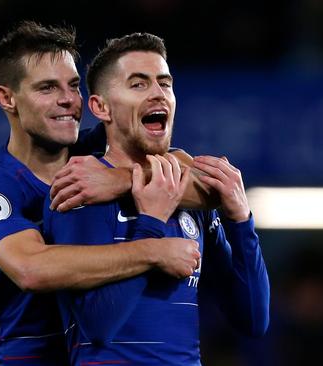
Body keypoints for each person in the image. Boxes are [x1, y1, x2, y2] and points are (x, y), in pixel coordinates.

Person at [0, 21, 210, 365]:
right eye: (47, 88)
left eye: (73, 85)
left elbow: (195, 176)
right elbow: (31, 268)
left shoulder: (94, 150)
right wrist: (152, 249)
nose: (67, 100)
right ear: (7, 98)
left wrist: (122, 180)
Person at [43, 32, 270, 365]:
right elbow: (96, 325)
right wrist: (150, 226)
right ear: (101, 107)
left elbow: (252, 320)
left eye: (165, 84)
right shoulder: (82, 188)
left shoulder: (191, 198)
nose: (158, 95)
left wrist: (241, 222)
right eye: (138, 84)